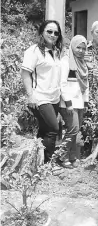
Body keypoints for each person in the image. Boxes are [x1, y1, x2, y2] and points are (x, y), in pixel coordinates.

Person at [21, 20, 63, 163]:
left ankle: (37, 160)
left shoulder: (56, 51)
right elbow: (26, 73)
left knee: (45, 129)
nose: (52, 35)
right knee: (53, 128)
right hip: (40, 97)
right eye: (49, 31)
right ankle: (49, 161)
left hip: (54, 98)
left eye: (56, 33)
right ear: (42, 32)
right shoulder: (33, 51)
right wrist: (30, 95)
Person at [59, 35, 89, 168]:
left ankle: (72, 156)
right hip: (68, 104)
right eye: (78, 47)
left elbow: (85, 84)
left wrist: (86, 102)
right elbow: (62, 84)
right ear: (72, 46)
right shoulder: (66, 61)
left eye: (83, 48)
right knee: (73, 129)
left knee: (75, 131)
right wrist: (68, 104)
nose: (81, 51)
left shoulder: (82, 63)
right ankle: (62, 156)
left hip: (80, 103)